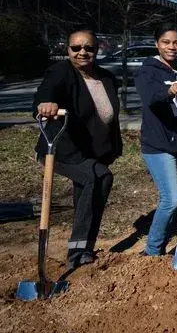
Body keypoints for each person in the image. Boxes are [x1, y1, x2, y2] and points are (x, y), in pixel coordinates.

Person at [33, 28, 122, 269]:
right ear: (68, 50)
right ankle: (78, 249)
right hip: (60, 149)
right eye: (76, 48)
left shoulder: (106, 77)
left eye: (89, 48)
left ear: (97, 49)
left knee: (90, 187)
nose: (82, 52)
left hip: (92, 151)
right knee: (99, 177)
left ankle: (82, 249)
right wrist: (45, 104)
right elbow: (46, 90)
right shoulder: (62, 71)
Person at [135, 24, 177, 256]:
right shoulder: (148, 71)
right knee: (172, 198)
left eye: (176, 43)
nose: (171, 47)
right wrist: (169, 91)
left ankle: (165, 243)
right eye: (166, 42)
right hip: (157, 144)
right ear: (157, 44)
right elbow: (150, 99)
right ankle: (152, 250)